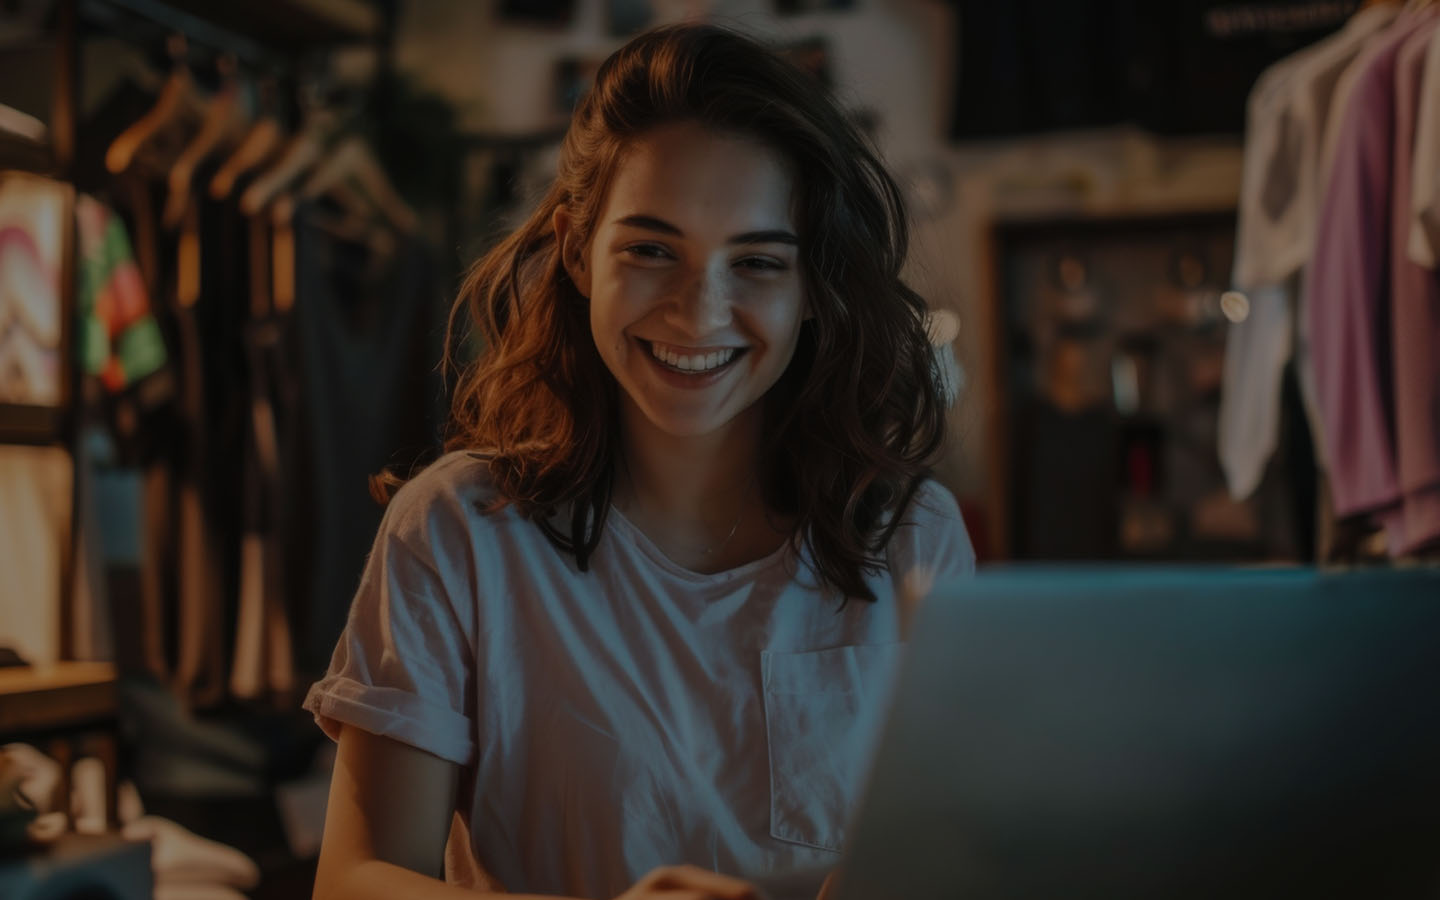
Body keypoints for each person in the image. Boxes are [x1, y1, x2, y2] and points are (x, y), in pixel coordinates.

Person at [304, 22, 974, 900]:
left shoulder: (910, 536)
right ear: (577, 250)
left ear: (813, 287)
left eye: (757, 262)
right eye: (652, 250)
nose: (700, 313)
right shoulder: (457, 531)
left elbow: (967, 854)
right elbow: (355, 880)